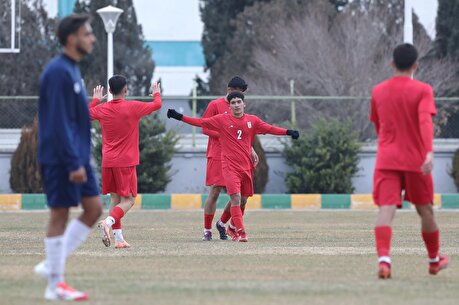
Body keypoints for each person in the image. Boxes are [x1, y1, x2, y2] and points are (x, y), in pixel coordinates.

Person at [167, 92, 299, 241]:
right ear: (229, 106)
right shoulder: (222, 120)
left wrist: (288, 132)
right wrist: (179, 116)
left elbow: (269, 129)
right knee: (235, 198)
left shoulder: (252, 120)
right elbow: (200, 122)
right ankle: (241, 232)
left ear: (244, 104)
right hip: (229, 167)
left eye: (238, 102)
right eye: (233, 102)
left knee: (243, 200)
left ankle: (229, 227)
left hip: (246, 167)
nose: (236, 104)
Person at [34, 14, 102, 301]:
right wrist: (73, 162)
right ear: (72, 38)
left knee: (95, 208)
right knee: (60, 214)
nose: (92, 38)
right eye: (87, 34)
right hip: (62, 158)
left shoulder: (73, 70)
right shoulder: (58, 72)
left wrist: (83, 158)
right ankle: (55, 284)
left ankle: (52, 264)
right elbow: (58, 123)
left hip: (78, 156)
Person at [370, 43, 448, 279]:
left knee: (386, 209)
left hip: (387, 158)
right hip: (416, 160)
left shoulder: (378, 91)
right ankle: (434, 261)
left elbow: (377, 125)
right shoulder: (423, 90)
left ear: (392, 64)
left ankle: (384, 261)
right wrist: (429, 152)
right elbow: (425, 122)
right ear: (415, 66)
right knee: (425, 210)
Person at [89, 77, 162, 248]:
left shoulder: (103, 108)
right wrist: (156, 94)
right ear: (126, 90)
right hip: (125, 161)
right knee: (129, 200)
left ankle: (119, 239)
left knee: (115, 198)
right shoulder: (133, 107)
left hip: (108, 161)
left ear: (110, 90)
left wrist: (95, 100)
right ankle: (107, 222)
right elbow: (157, 105)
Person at [201, 76, 259, 241]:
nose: (238, 99)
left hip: (237, 157)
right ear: (228, 90)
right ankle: (207, 230)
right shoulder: (215, 105)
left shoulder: (238, 107)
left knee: (241, 196)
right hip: (217, 154)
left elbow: (243, 133)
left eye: (241, 96)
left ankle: (224, 224)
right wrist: (223, 135)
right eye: (236, 94)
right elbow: (204, 128)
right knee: (215, 190)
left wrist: (250, 148)